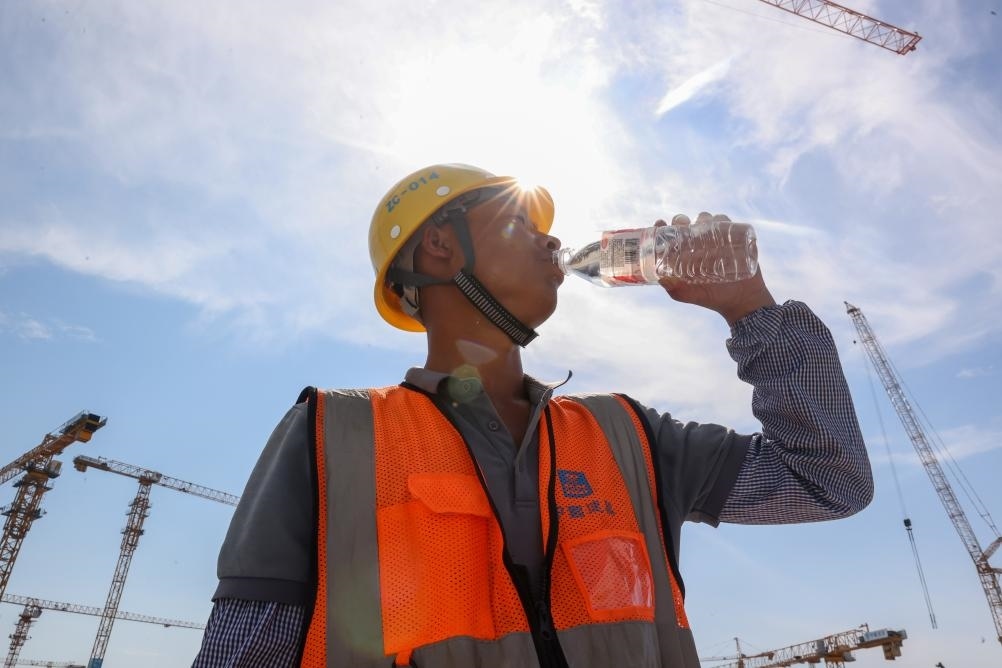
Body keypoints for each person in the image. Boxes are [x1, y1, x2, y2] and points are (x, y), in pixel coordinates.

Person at [192, 163, 872, 668]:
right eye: (523, 225)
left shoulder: (629, 437)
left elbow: (826, 481)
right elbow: (245, 650)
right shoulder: (333, 437)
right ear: (440, 248)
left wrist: (750, 308)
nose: (555, 246)